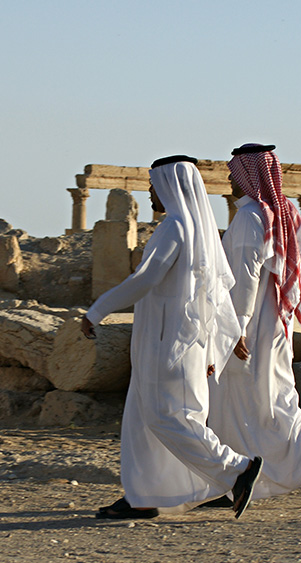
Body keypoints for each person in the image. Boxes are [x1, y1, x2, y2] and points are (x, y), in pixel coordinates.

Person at [81, 154, 263, 519]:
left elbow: (145, 278)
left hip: (169, 344)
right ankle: (145, 495)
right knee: (143, 419)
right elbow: (218, 296)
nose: (150, 192)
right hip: (174, 342)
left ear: (171, 186)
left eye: (153, 185)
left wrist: (97, 311)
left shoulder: (175, 227)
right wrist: (216, 347)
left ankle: (237, 469)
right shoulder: (201, 231)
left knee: (170, 417)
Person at [208, 143, 301, 504]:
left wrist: (233, 328)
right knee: (273, 397)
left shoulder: (250, 218)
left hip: (250, 325)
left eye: (233, 174)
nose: (229, 181)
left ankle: (242, 479)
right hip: (276, 321)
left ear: (248, 175)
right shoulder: (284, 211)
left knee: (246, 402)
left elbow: (244, 277)